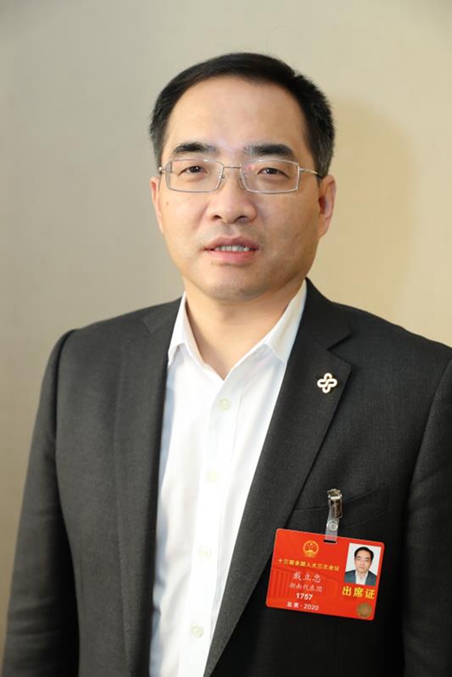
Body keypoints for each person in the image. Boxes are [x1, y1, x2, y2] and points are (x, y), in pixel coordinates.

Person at [3, 52, 452, 677]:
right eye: (195, 169)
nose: (229, 204)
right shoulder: (83, 367)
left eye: (269, 171)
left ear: (323, 204)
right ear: (159, 201)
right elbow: (38, 628)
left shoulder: (421, 389)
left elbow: (435, 648)